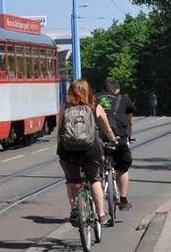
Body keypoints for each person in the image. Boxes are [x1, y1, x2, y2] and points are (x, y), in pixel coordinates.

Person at [58, 78, 117, 226]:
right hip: (91, 151)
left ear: (71, 92)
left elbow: (60, 131)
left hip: (68, 151)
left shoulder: (65, 108)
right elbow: (107, 129)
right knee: (94, 179)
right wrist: (113, 140)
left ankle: (74, 211)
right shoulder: (95, 107)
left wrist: (59, 150)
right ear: (88, 91)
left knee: (71, 181)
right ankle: (102, 214)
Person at [97, 78, 139, 210]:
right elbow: (130, 122)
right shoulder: (124, 99)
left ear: (102, 90)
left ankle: (99, 201)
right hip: (119, 137)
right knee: (122, 168)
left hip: (99, 138)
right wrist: (129, 136)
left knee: (95, 170)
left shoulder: (94, 98)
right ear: (118, 90)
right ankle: (124, 200)